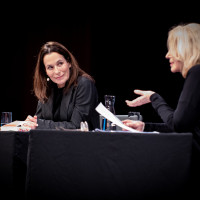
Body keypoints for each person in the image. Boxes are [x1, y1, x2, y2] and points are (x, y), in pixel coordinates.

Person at [123, 22, 200, 194]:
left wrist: (154, 98)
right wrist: (146, 127)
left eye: (171, 48)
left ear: (186, 48)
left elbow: (179, 125)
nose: (167, 55)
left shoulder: (197, 73)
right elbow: (188, 127)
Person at [25, 41, 100, 130]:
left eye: (60, 63)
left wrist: (39, 124)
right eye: (50, 67)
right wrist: (31, 123)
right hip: (52, 141)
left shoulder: (84, 84)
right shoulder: (47, 87)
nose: (56, 71)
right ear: (45, 71)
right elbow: (38, 120)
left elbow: (76, 126)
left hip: (82, 142)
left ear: (69, 62)